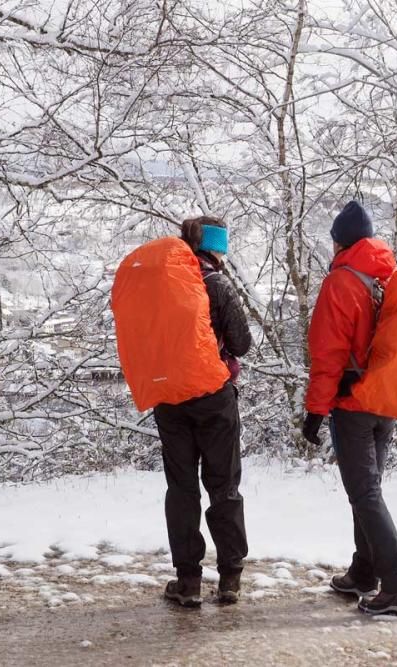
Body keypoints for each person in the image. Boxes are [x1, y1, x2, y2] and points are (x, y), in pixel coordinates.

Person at [302, 201, 397, 616]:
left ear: (339, 242)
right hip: (384, 398)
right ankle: (364, 572)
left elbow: (328, 353)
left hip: (353, 403)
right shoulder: (387, 277)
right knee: (368, 491)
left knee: (364, 493)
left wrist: (315, 410)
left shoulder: (341, 282)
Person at [156, 216, 252, 607]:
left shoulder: (162, 285)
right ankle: (229, 578)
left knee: (181, 489)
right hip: (214, 398)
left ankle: (189, 581)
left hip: (171, 398)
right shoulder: (218, 284)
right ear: (216, 248)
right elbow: (242, 343)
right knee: (223, 485)